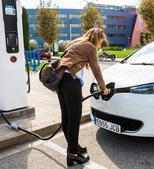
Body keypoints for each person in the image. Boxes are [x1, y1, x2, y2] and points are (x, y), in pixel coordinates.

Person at [56, 28, 111, 166]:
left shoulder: (76, 43)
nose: (100, 44)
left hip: (60, 80)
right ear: (97, 39)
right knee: (74, 119)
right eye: (101, 41)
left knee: (67, 117)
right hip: (71, 81)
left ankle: (73, 147)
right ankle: (73, 155)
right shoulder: (90, 47)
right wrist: (104, 88)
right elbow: (96, 68)